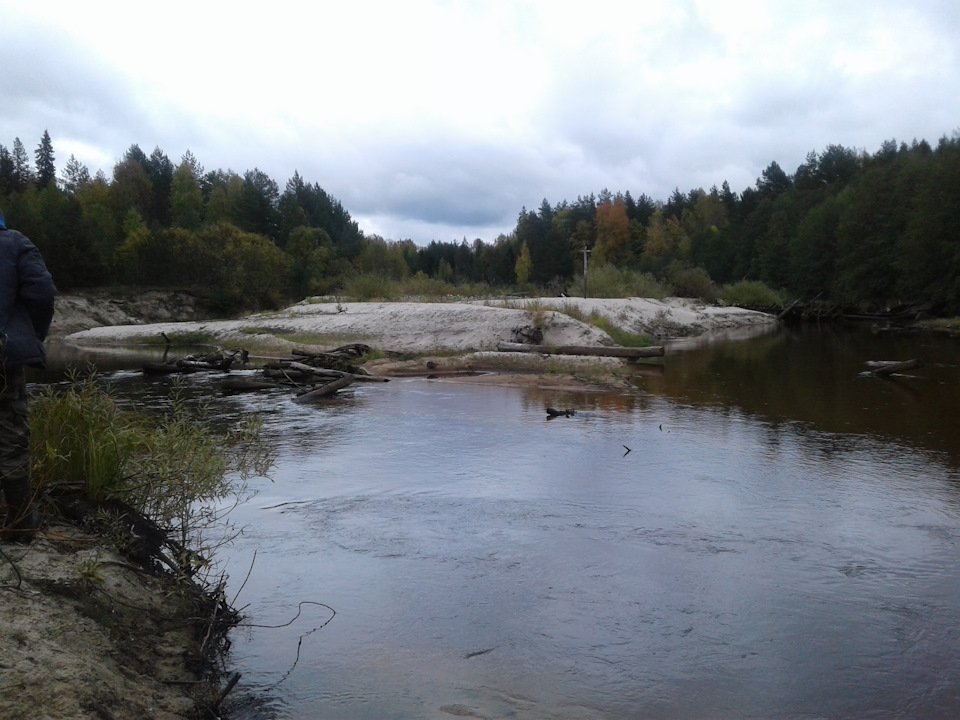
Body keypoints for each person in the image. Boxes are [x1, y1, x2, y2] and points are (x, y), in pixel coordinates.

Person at [0, 208, 56, 543]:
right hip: (4, 355)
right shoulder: (15, 243)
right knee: (9, 433)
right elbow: (42, 293)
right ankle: (20, 520)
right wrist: (31, 333)